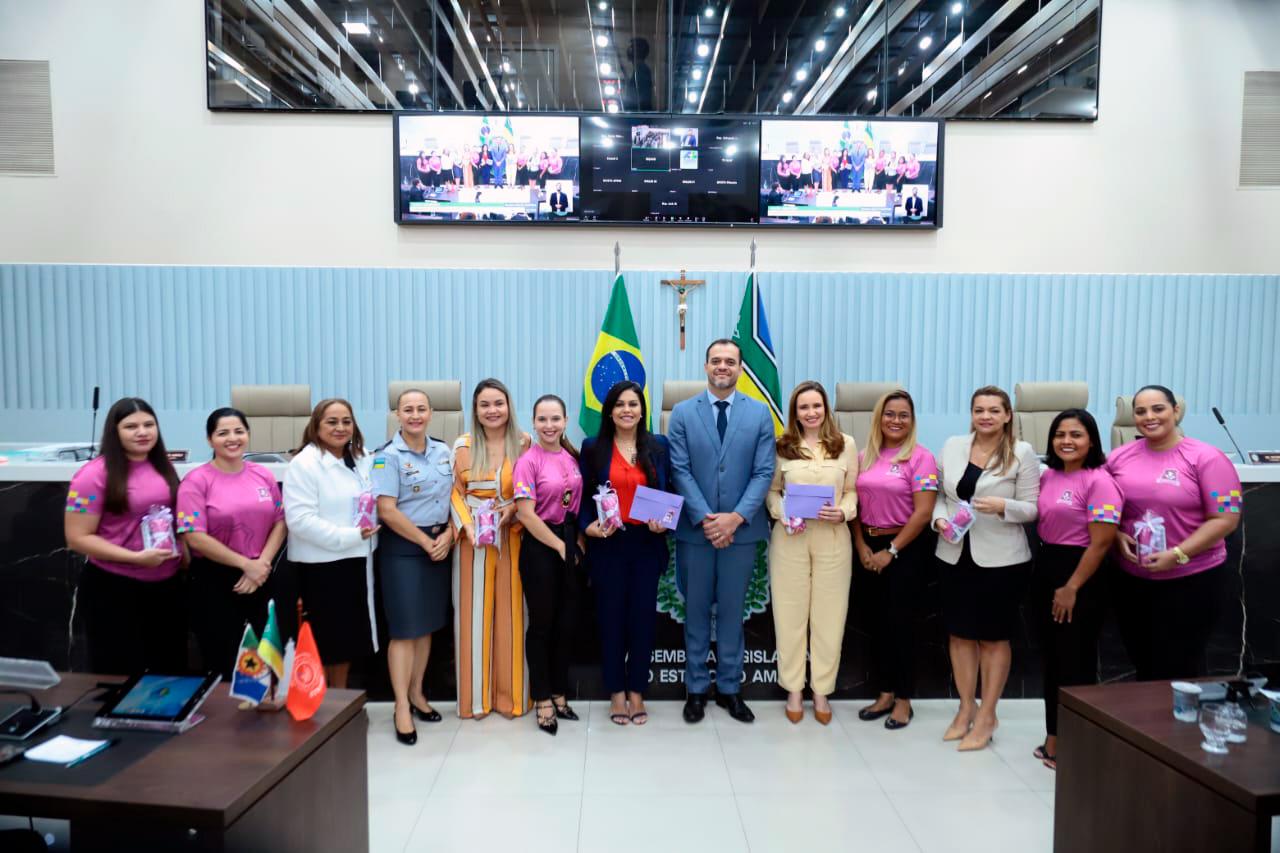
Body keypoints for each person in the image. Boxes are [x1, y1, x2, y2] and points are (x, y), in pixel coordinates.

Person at [668, 339, 776, 724]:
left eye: (730, 361)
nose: (723, 367)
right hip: (696, 532)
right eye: (716, 360)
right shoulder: (681, 413)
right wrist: (708, 518)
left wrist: (734, 518)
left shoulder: (761, 414)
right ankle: (696, 689)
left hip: (741, 534)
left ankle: (730, 689)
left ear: (741, 369)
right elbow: (679, 470)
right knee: (695, 611)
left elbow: (764, 472)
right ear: (705, 365)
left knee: (732, 613)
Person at [1106, 385, 1242, 681]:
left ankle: (1177, 726)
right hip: (1133, 581)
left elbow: (1226, 518)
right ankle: (1144, 725)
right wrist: (1115, 534)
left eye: (1158, 409)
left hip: (1191, 580)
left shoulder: (1208, 457)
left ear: (1175, 411)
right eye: (1140, 411)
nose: (1149, 417)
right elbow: (1103, 506)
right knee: (1143, 662)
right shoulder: (1119, 457)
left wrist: (1179, 554)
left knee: (1179, 666)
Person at [932, 386, 1039, 751]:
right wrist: (939, 522)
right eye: (979, 410)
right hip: (954, 553)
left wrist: (1003, 505)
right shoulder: (952, 445)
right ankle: (966, 708)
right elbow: (942, 498)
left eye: (995, 410)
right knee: (960, 635)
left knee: (993, 638)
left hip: (1001, 561)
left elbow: (1032, 508)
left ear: (1008, 415)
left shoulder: (1022, 452)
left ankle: (989, 714)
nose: (986, 417)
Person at [64, 397, 185, 675]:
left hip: (165, 585)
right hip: (114, 587)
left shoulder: (163, 467)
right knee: (118, 673)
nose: (142, 432)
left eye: (148, 424)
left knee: (168, 668)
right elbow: (77, 538)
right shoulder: (91, 475)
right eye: (131, 426)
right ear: (114, 432)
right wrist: (135, 558)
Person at [1033, 409, 1121, 770]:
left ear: (1092, 441)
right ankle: (1054, 737)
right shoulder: (1048, 475)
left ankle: (1076, 743)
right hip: (1047, 567)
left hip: (1081, 575)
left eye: (1076, 434)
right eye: (1060, 434)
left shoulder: (1099, 480)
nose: (1067, 441)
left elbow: (1101, 543)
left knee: (1076, 661)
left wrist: (1071, 587)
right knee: (1053, 659)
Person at [580, 381, 673, 727]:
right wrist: (587, 527)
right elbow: (580, 497)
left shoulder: (658, 446)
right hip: (608, 543)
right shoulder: (593, 448)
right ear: (609, 411)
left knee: (642, 621)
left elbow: (672, 490)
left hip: (647, 543)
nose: (627, 410)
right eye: (619, 404)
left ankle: (637, 691)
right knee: (611, 619)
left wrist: (666, 522)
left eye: (633, 404)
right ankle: (616, 693)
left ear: (642, 409)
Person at [766, 381, 857, 724]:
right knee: (789, 616)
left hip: (833, 538)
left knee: (829, 617)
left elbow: (851, 492)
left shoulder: (844, 445)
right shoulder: (782, 446)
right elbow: (772, 492)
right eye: (804, 407)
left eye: (816, 406)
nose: (811, 412)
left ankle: (821, 690)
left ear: (826, 409)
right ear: (795, 413)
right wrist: (781, 512)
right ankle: (792, 688)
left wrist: (845, 512)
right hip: (790, 538)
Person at [178, 407, 286, 680]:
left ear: (248, 434)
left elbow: (281, 520)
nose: (232, 438)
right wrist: (245, 565)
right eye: (222, 433)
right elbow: (193, 535)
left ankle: (266, 717)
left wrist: (262, 564)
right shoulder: (196, 480)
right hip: (215, 579)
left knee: (267, 655)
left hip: (262, 574)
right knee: (224, 658)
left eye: (239, 431)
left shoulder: (262, 474)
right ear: (209, 439)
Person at [372, 389, 454, 746]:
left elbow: (456, 497)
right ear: (398, 415)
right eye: (408, 409)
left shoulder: (444, 451)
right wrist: (425, 542)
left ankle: (419, 693)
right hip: (404, 549)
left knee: (426, 627)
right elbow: (386, 510)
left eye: (422, 409)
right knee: (405, 629)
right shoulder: (386, 457)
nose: (416, 415)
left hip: (440, 544)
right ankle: (401, 706)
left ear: (432, 413)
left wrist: (450, 534)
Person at [853, 391, 938, 731]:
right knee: (877, 624)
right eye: (890, 414)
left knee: (902, 625)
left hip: (906, 547)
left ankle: (904, 700)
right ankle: (885, 693)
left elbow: (924, 512)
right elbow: (854, 506)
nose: (896, 420)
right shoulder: (864, 456)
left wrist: (893, 551)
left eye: (904, 415)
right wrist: (861, 545)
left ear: (912, 420)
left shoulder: (921, 458)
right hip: (868, 545)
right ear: (879, 417)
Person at [450, 378, 532, 719]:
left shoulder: (525, 443)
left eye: (499, 403)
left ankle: (511, 699)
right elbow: (453, 492)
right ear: (476, 410)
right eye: (485, 404)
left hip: (513, 537)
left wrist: (512, 509)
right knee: (473, 619)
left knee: (513, 617)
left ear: (509, 406)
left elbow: (532, 487)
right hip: (473, 544)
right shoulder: (463, 446)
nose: (492, 410)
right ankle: (475, 702)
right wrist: (467, 524)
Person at [283, 399, 379, 689]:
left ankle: (340, 705)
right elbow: (299, 520)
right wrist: (350, 536)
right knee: (327, 642)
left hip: (358, 562)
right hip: (323, 567)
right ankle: (323, 709)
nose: (340, 428)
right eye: (332, 422)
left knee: (348, 641)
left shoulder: (361, 458)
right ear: (316, 425)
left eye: (346, 421)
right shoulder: (305, 463)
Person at [513, 395, 585, 736]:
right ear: (533, 422)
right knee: (542, 625)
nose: (549, 425)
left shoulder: (573, 457)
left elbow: (578, 504)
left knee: (567, 625)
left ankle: (559, 692)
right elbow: (526, 515)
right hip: (542, 547)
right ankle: (541, 697)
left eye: (555, 418)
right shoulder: (528, 461)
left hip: (570, 544)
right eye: (542, 419)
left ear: (566, 420)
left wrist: (577, 543)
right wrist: (559, 545)